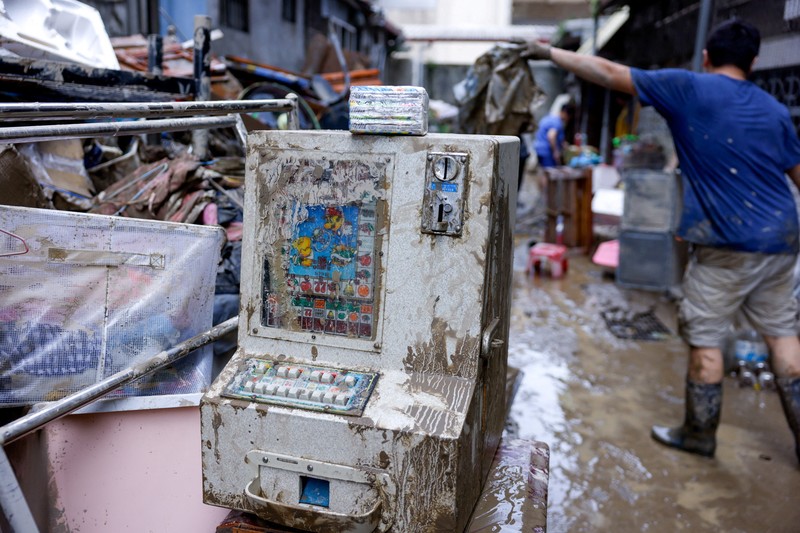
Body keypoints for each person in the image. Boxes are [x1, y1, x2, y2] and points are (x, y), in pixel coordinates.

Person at [525, 19, 800, 463]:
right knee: (784, 338)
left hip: (725, 243)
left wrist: (548, 53)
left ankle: (699, 433)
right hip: (780, 240)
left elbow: (609, 72)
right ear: (753, 62)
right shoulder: (775, 111)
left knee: (706, 340)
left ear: (707, 57)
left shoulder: (688, 87)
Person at [533, 103, 574, 169]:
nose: (568, 119)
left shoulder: (549, 118)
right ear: (565, 113)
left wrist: (564, 145)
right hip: (547, 152)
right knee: (550, 172)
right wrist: (555, 151)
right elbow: (551, 136)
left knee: (544, 172)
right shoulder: (557, 122)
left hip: (539, 149)